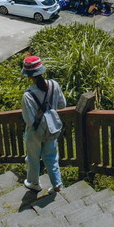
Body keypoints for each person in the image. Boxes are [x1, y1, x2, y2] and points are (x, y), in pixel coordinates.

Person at [21, 56, 66, 194]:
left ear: (28, 76)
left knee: (33, 158)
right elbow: (62, 105)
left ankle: (34, 183)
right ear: (41, 70)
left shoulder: (28, 95)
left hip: (34, 131)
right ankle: (57, 184)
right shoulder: (54, 85)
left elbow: (29, 120)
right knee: (51, 156)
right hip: (51, 127)